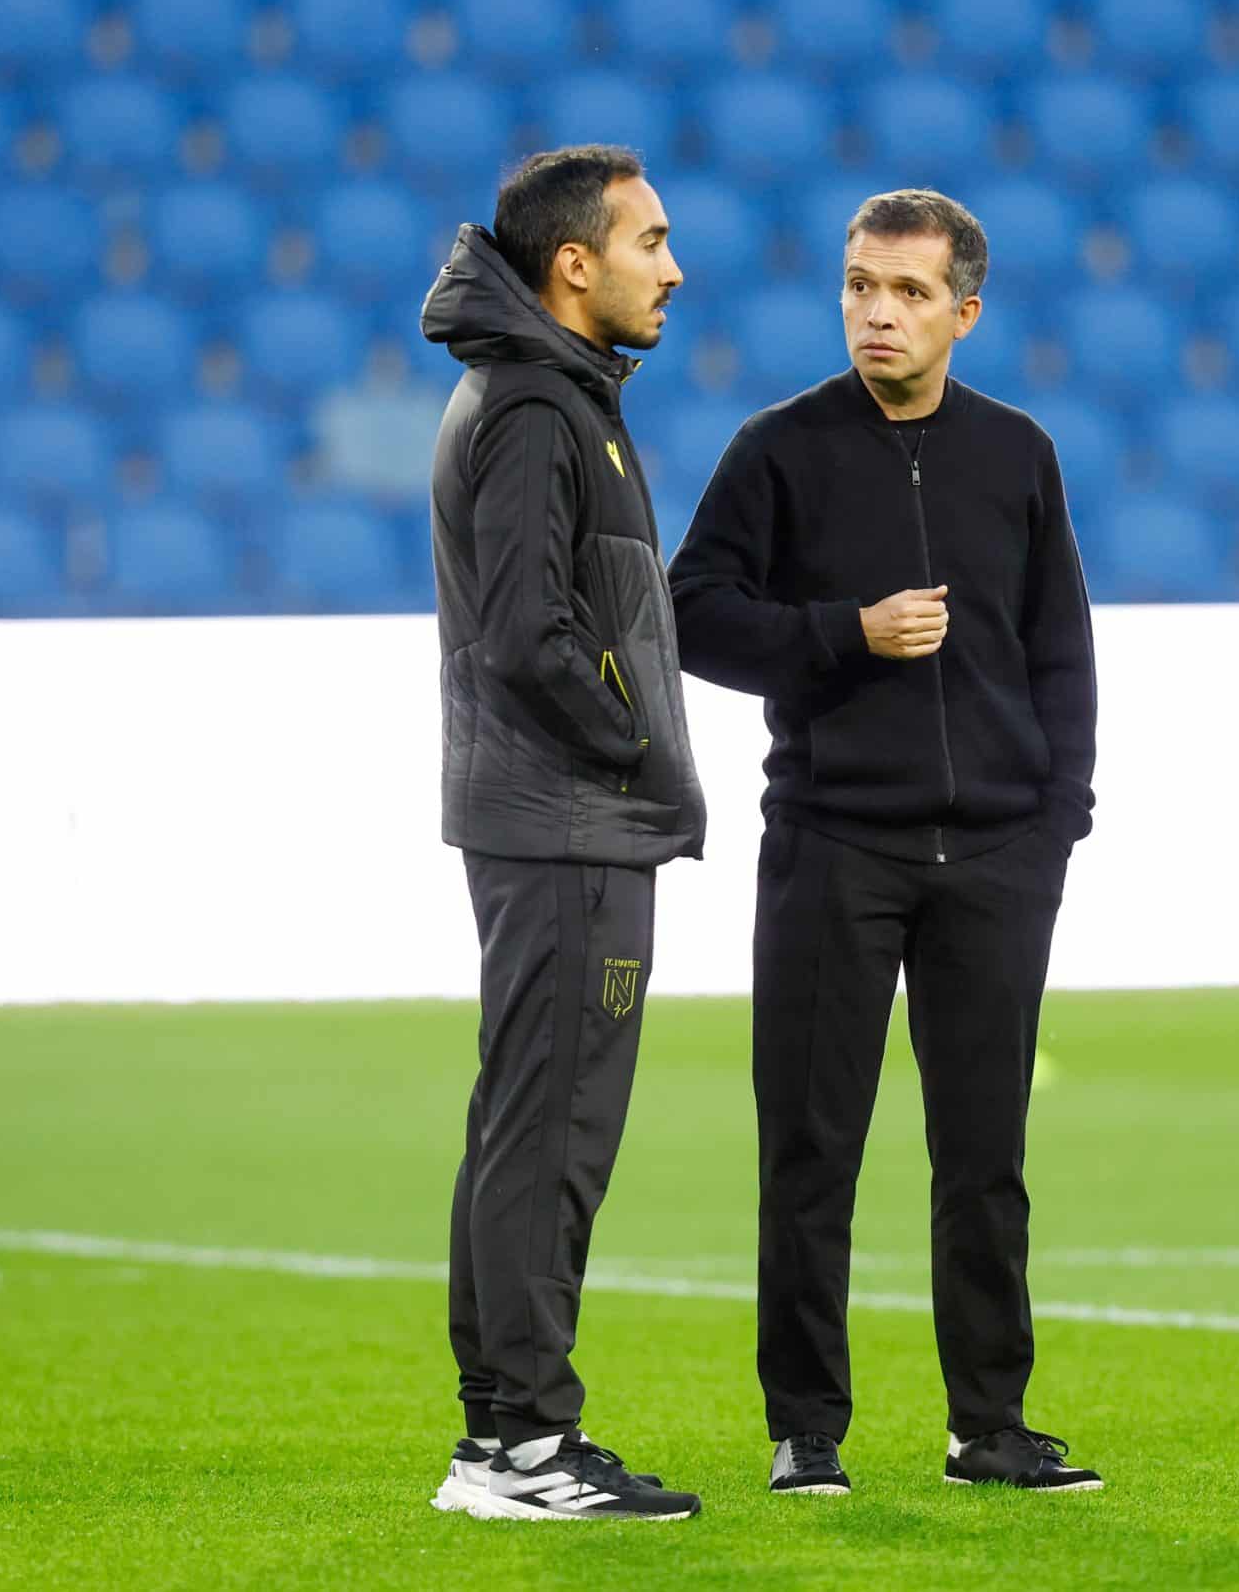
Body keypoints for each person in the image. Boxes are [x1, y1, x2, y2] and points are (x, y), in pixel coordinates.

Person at [669, 189, 1101, 1499]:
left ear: (965, 311)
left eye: (909, 292)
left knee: (986, 1158)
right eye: (862, 284)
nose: (877, 311)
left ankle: (991, 1424)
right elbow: (692, 613)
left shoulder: (1017, 454)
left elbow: (1062, 651)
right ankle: (807, 1427)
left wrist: (1055, 822)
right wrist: (842, 632)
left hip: (996, 859)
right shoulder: (778, 450)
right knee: (809, 1148)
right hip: (832, 846)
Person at [420, 145, 708, 1523]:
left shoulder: (543, 389)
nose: (674, 264)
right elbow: (531, 636)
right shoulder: (540, 402)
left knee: (522, 1119)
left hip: (546, 817)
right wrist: (634, 747)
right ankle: (530, 1444)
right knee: (555, 1131)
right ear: (571, 264)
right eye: (650, 239)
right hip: (566, 823)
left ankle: (499, 1435)